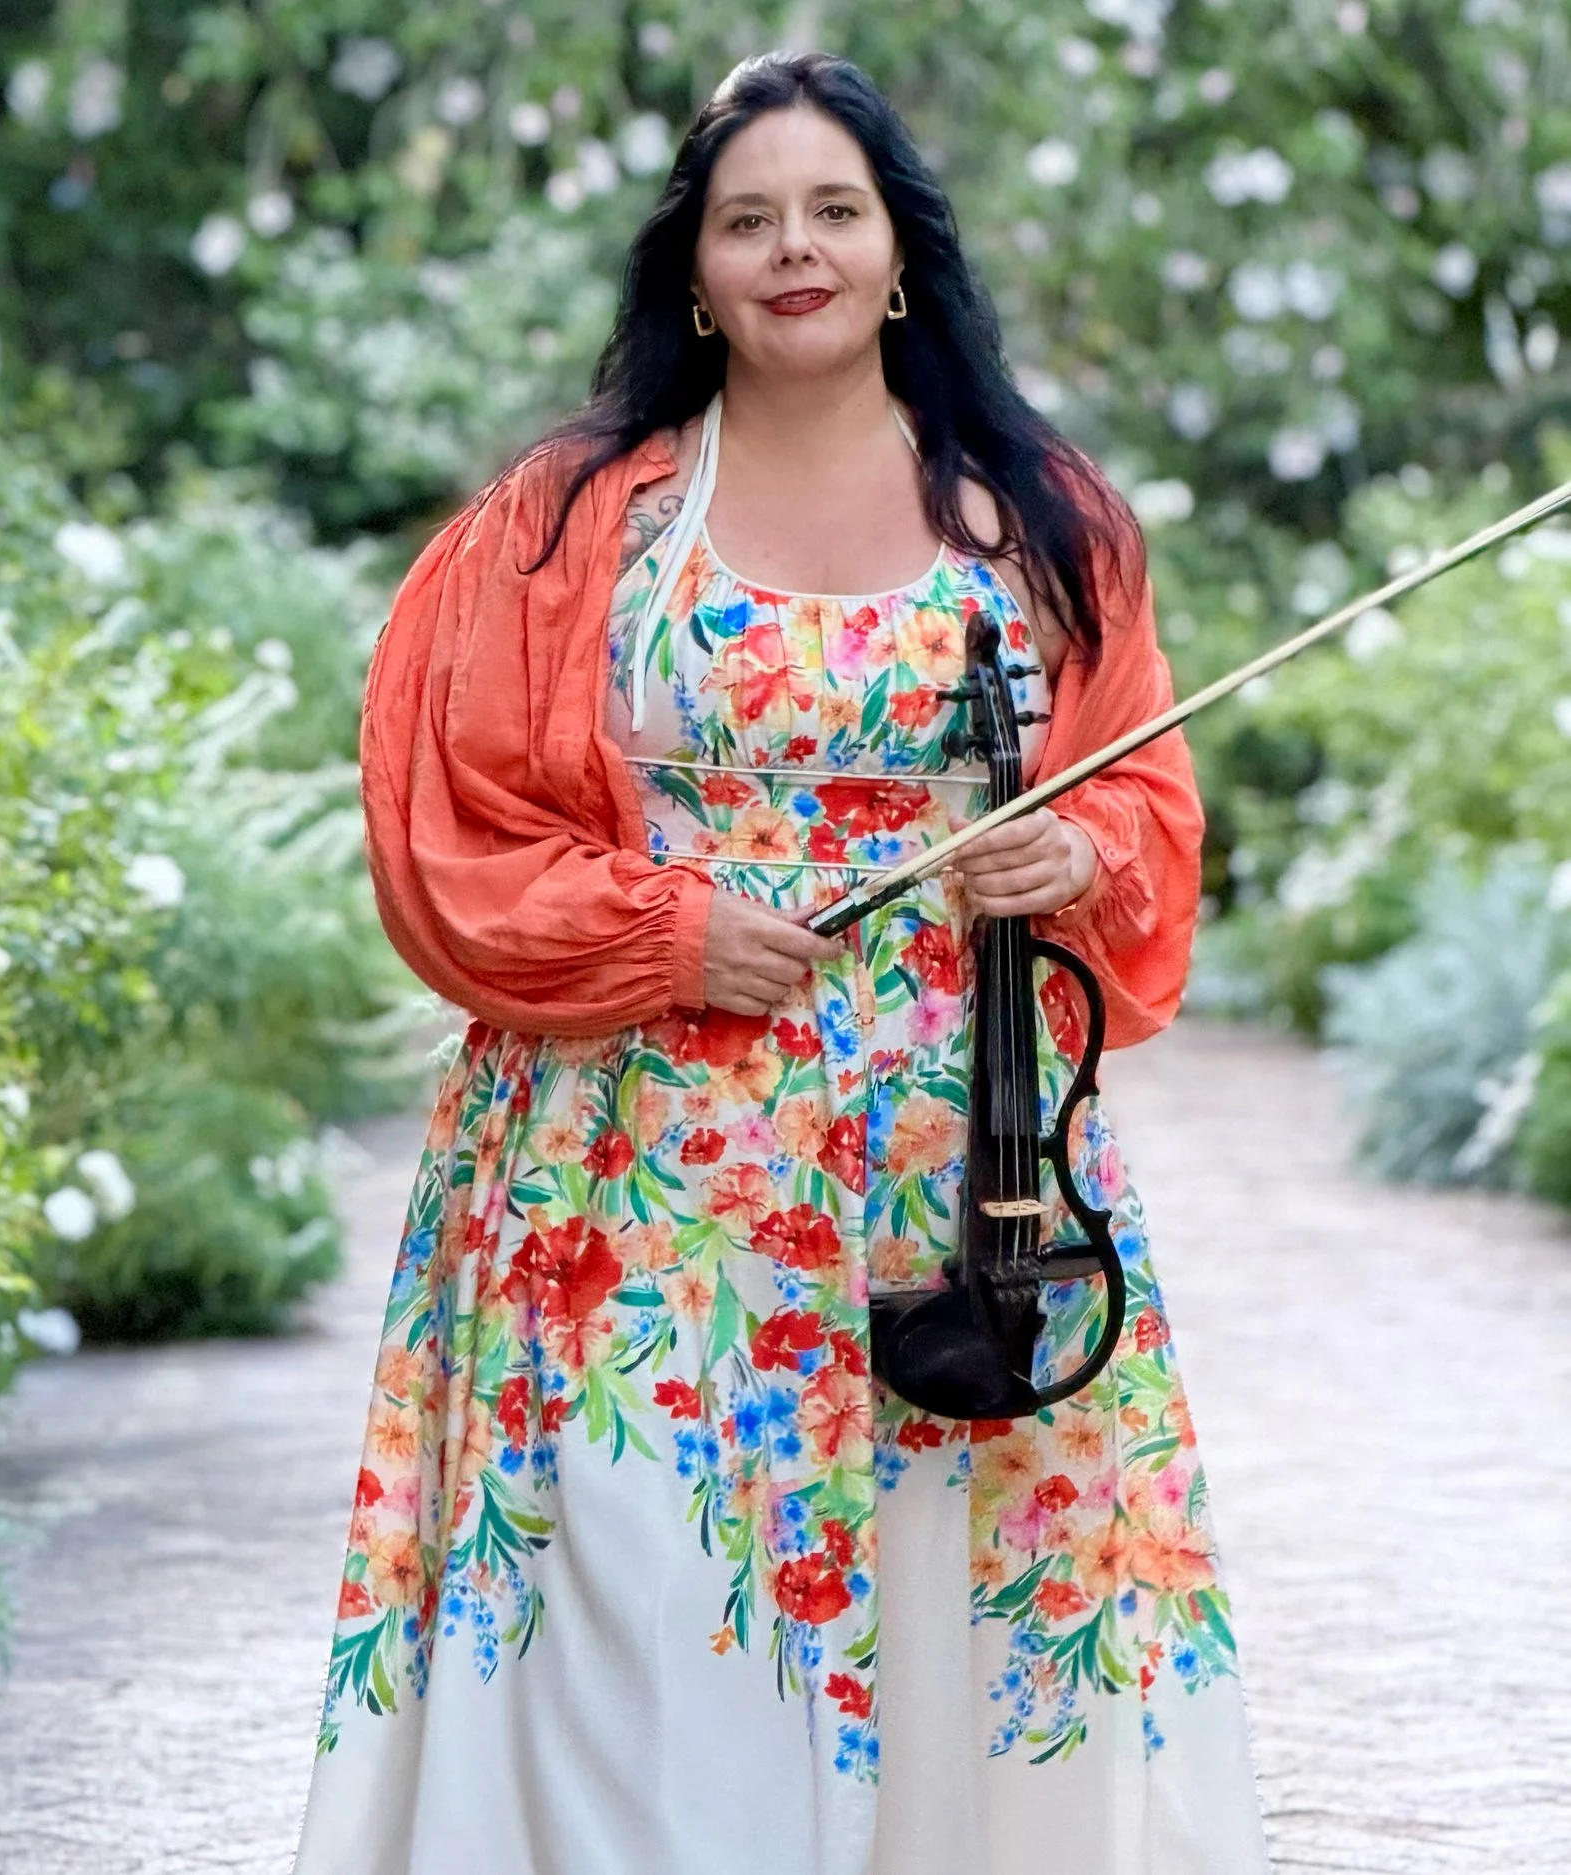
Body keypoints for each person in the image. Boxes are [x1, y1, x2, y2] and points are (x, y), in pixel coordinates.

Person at [287, 48, 1270, 1875]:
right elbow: (447, 832)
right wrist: (666, 929)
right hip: (634, 1148)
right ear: (695, 270)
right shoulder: (570, 525)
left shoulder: (1041, 519)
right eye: (749, 220)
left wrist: (1069, 852)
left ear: (900, 256)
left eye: (835, 211)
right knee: (637, 1580)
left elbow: (1144, 803)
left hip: (964, 1155)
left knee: (953, 1572)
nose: (794, 249)